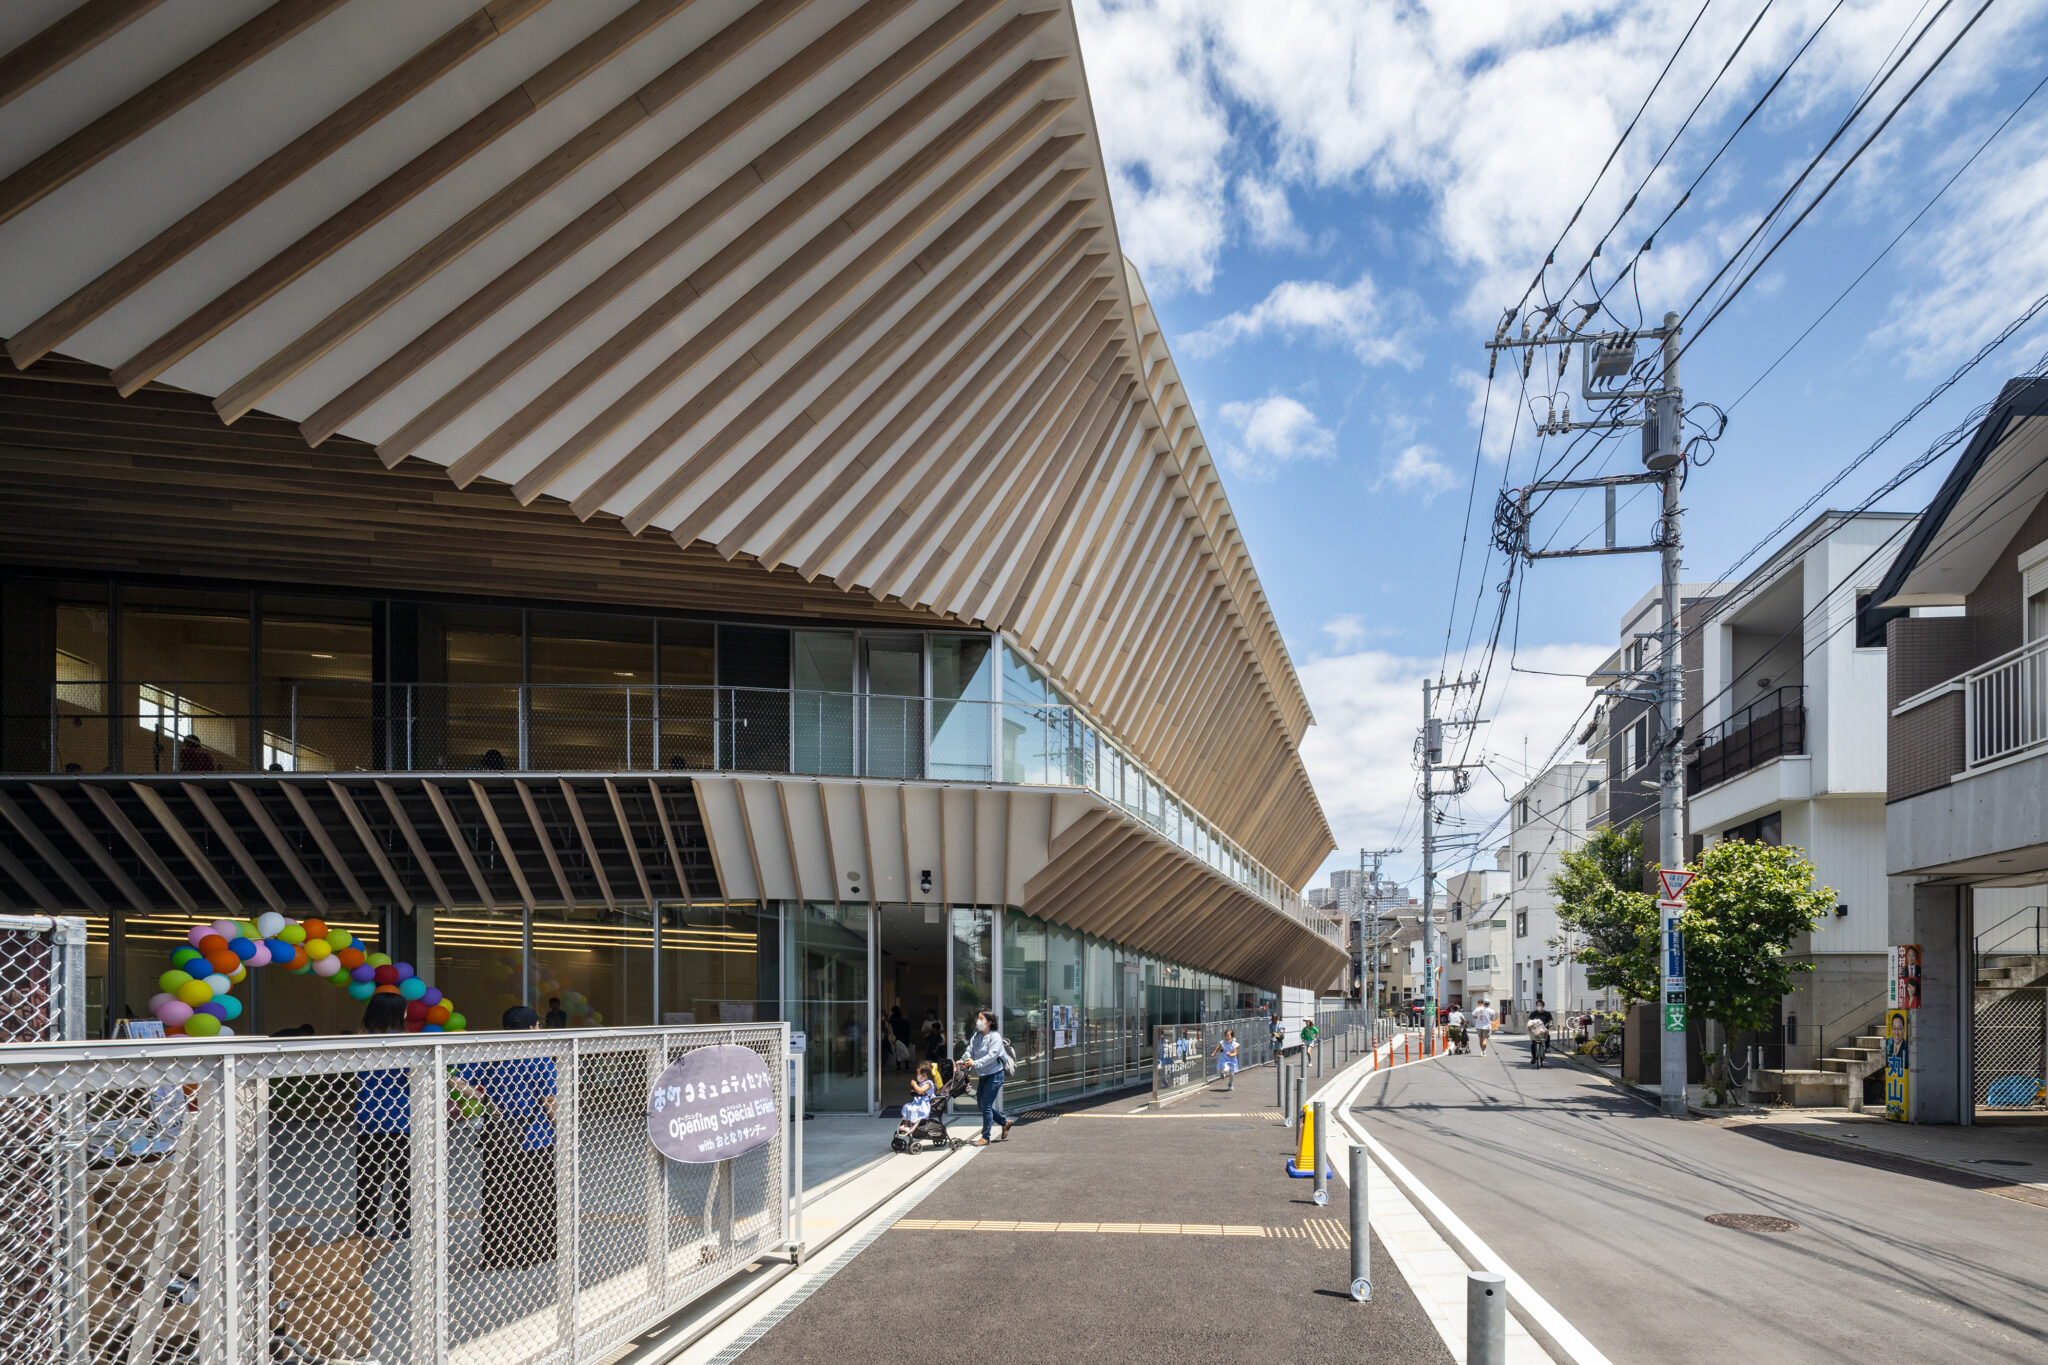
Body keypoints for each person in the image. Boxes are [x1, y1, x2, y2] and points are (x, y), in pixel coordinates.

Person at [465, 1004, 558, 1272]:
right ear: (531, 1028)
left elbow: (458, 1081)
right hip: (535, 1137)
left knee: (497, 1193)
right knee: (535, 1195)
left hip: (498, 1133)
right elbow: (549, 1100)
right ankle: (536, 1251)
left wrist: (486, 1099)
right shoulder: (538, 1057)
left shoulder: (491, 1053)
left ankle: (497, 1254)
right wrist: (560, 1127)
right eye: (537, 1025)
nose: (539, 1028)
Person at [353, 994, 410, 1240]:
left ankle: (366, 1226)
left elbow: (357, 1078)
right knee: (402, 1175)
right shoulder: (403, 1044)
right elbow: (411, 1076)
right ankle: (403, 1225)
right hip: (401, 1116)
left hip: (368, 1115)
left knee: (368, 1175)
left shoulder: (361, 1042)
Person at [960, 1009, 1014, 1146]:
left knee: (987, 1105)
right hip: (983, 1075)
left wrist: (975, 1063)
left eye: (981, 1019)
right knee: (981, 1104)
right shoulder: (977, 1036)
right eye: (978, 1018)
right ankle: (1004, 1122)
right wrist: (963, 1059)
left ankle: (985, 1137)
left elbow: (992, 1056)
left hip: (995, 1075)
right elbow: (969, 1050)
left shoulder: (994, 1037)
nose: (978, 1021)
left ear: (989, 1022)